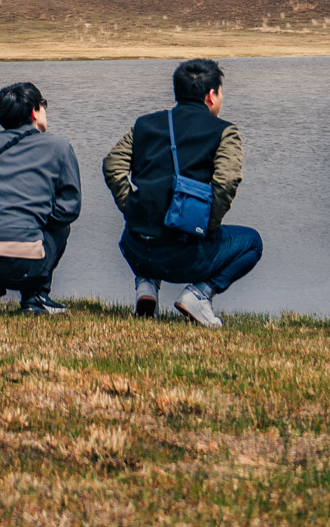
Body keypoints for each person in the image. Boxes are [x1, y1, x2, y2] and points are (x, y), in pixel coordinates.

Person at [103, 57, 262, 328]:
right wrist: (207, 227)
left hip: (136, 247)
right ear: (211, 95)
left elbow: (112, 165)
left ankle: (146, 284)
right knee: (253, 243)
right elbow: (226, 182)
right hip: (184, 255)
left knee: (148, 222)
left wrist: (130, 207)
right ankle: (199, 294)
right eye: (220, 92)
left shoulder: (144, 124)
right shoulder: (225, 131)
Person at [0, 80, 82, 315]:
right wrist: (35, 222)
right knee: (61, 228)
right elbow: (70, 207)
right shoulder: (59, 147)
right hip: (26, 264)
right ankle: (35, 298)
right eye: (43, 104)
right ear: (34, 111)